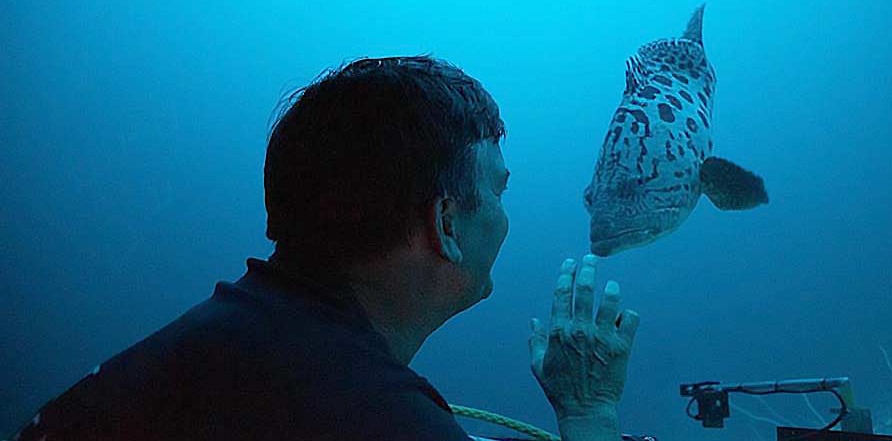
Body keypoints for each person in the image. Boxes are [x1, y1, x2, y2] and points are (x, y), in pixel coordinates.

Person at [11, 56, 640, 441]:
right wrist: (588, 414)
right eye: (499, 192)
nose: (505, 220)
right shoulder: (370, 414)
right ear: (447, 223)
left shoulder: (224, 341)